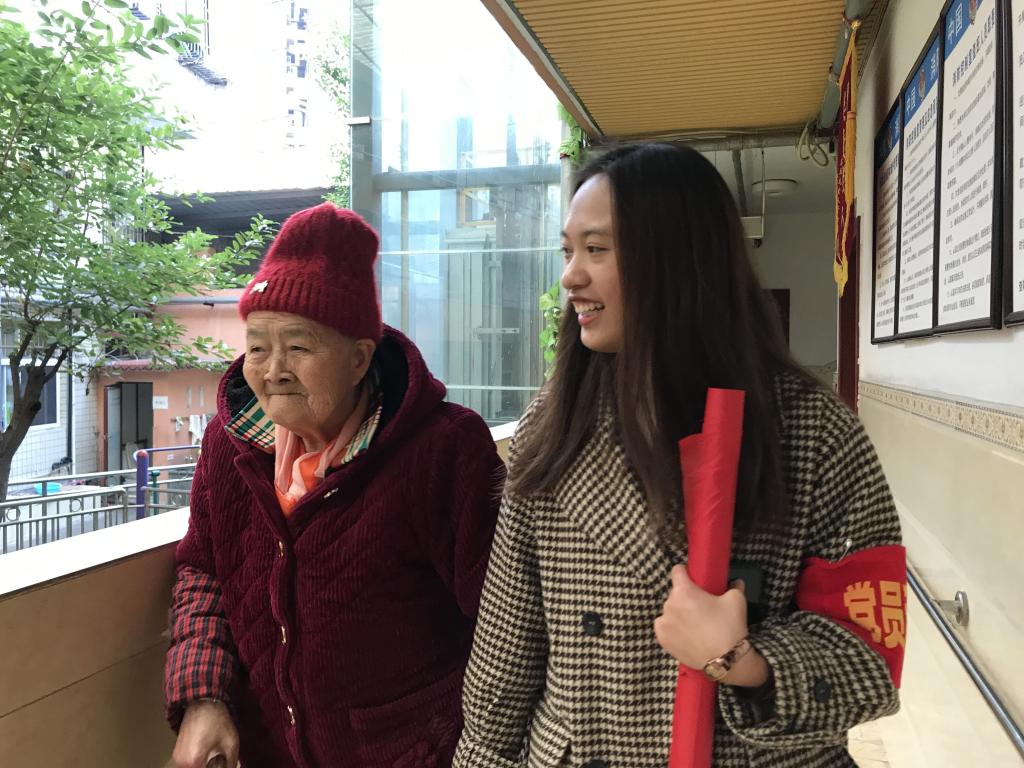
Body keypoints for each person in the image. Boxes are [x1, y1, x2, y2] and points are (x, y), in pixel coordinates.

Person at [454, 143, 906, 767]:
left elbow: (870, 657)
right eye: (568, 251)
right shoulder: (552, 424)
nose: (571, 277)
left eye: (596, 249)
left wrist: (743, 660)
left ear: (676, 259)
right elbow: (505, 653)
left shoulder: (812, 430)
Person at [164, 203, 504, 768]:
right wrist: (204, 698)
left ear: (359, 359)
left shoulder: (443, 450)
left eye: (298, 347)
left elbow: (504, 624)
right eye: (257, 347)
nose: (273, 370)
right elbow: (203, 570)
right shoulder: (230, 444)